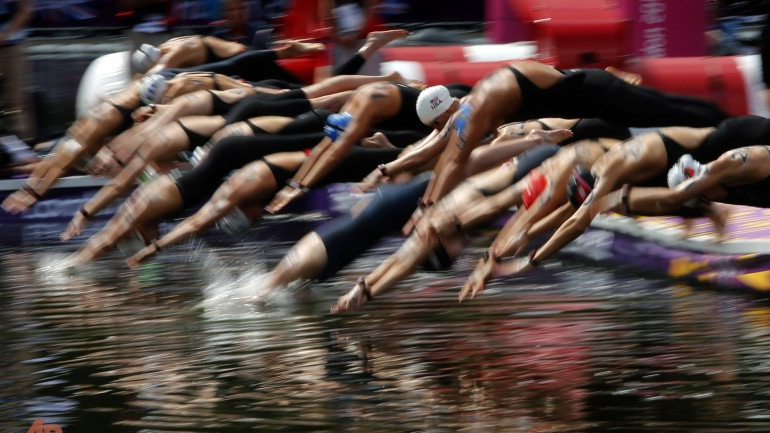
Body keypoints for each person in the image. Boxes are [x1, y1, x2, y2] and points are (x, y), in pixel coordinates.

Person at [460, 115, 770, 300]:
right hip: (676, 162)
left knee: (622, 203)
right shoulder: (601, 179)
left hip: (734, 140)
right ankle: (712, 212)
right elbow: (565, 217)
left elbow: (580, 219)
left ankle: (714, 213)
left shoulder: (613, 169)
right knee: (616, 204)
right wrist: (497, 255)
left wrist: (527, 264)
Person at [411, 61, 729, 234]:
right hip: (586, 121)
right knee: (634, 173)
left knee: (659, 135)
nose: (441, 133)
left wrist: (430, 206)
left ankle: (710, 184)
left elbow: (448, 158)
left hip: (590, 121)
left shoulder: (480, 122)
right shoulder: (478, 118)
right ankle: (699, 201)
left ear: (445, 115)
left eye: (438, 126)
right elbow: (444, 156)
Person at [0, 0, 34, 142]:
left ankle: (24, 143)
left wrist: (3, 36)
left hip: (11, 47)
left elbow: (26, 11)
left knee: (16, 100)